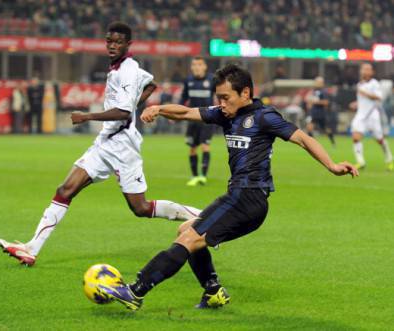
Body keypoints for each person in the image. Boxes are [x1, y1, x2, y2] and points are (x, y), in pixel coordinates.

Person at [97, 64, 358, 310]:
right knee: (187, 230)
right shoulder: (226, 115)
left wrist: (332, 166)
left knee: (188, 239)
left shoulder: (264, 117)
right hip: (239, 196)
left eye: (225, 97)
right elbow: (188, 112)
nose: (221, 103)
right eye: (218, 98)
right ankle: (212, 291)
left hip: (249, 197)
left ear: (245, 93)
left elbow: (302, 138)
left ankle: (136, 292)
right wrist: (160, 108)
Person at [0, 22, 201, 266]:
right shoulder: (120, 68)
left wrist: (87, 116)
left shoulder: (127, 69)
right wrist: (136, 102)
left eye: (118, 42)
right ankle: (32, 248)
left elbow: (124, 112)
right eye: (109, 41)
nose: (112, 46)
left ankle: (203, 217)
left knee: (141, 207)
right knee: (65, 190)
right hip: (105, 143)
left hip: (123, 146)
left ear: (128, 45)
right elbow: (150, 85)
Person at [351, 63, 393, 171]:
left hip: (372, 115)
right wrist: (356, 103)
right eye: (363, 69)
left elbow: (379, 97)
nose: (365, 71)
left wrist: (365, 93)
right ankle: (360, 162)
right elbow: (362, 100)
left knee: (380, 140)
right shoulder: (359, 84)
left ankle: (389, 159)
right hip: (361, 115)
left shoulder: (374, 83)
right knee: (356, 137)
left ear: (372, 72)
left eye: (367, 69)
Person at [180, 57, 215, 186]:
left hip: (207, 118)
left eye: (199, 64)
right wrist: (175, 113)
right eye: (194, 64)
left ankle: (203, 176)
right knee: (192, 148)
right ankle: (194, 176)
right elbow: (183, 98)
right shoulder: (188, 80)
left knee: (205, 146)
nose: (197, 67)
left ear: (205, 66)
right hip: (192, 118)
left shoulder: (212, 80)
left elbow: (220, 95)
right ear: (191, 67)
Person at [305, 76, 336, 146]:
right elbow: (309, 100)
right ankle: (312, 144)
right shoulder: (313, 91)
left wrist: (315, 102)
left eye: (318, 82)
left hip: (321, 113)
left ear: (322, 83)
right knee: (309, 127)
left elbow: (326, 102)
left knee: (326, 129)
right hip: (313, 113)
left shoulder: (324, 92)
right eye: (316, 82)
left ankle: (333, 142)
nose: (316, 83)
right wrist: (309, 104)